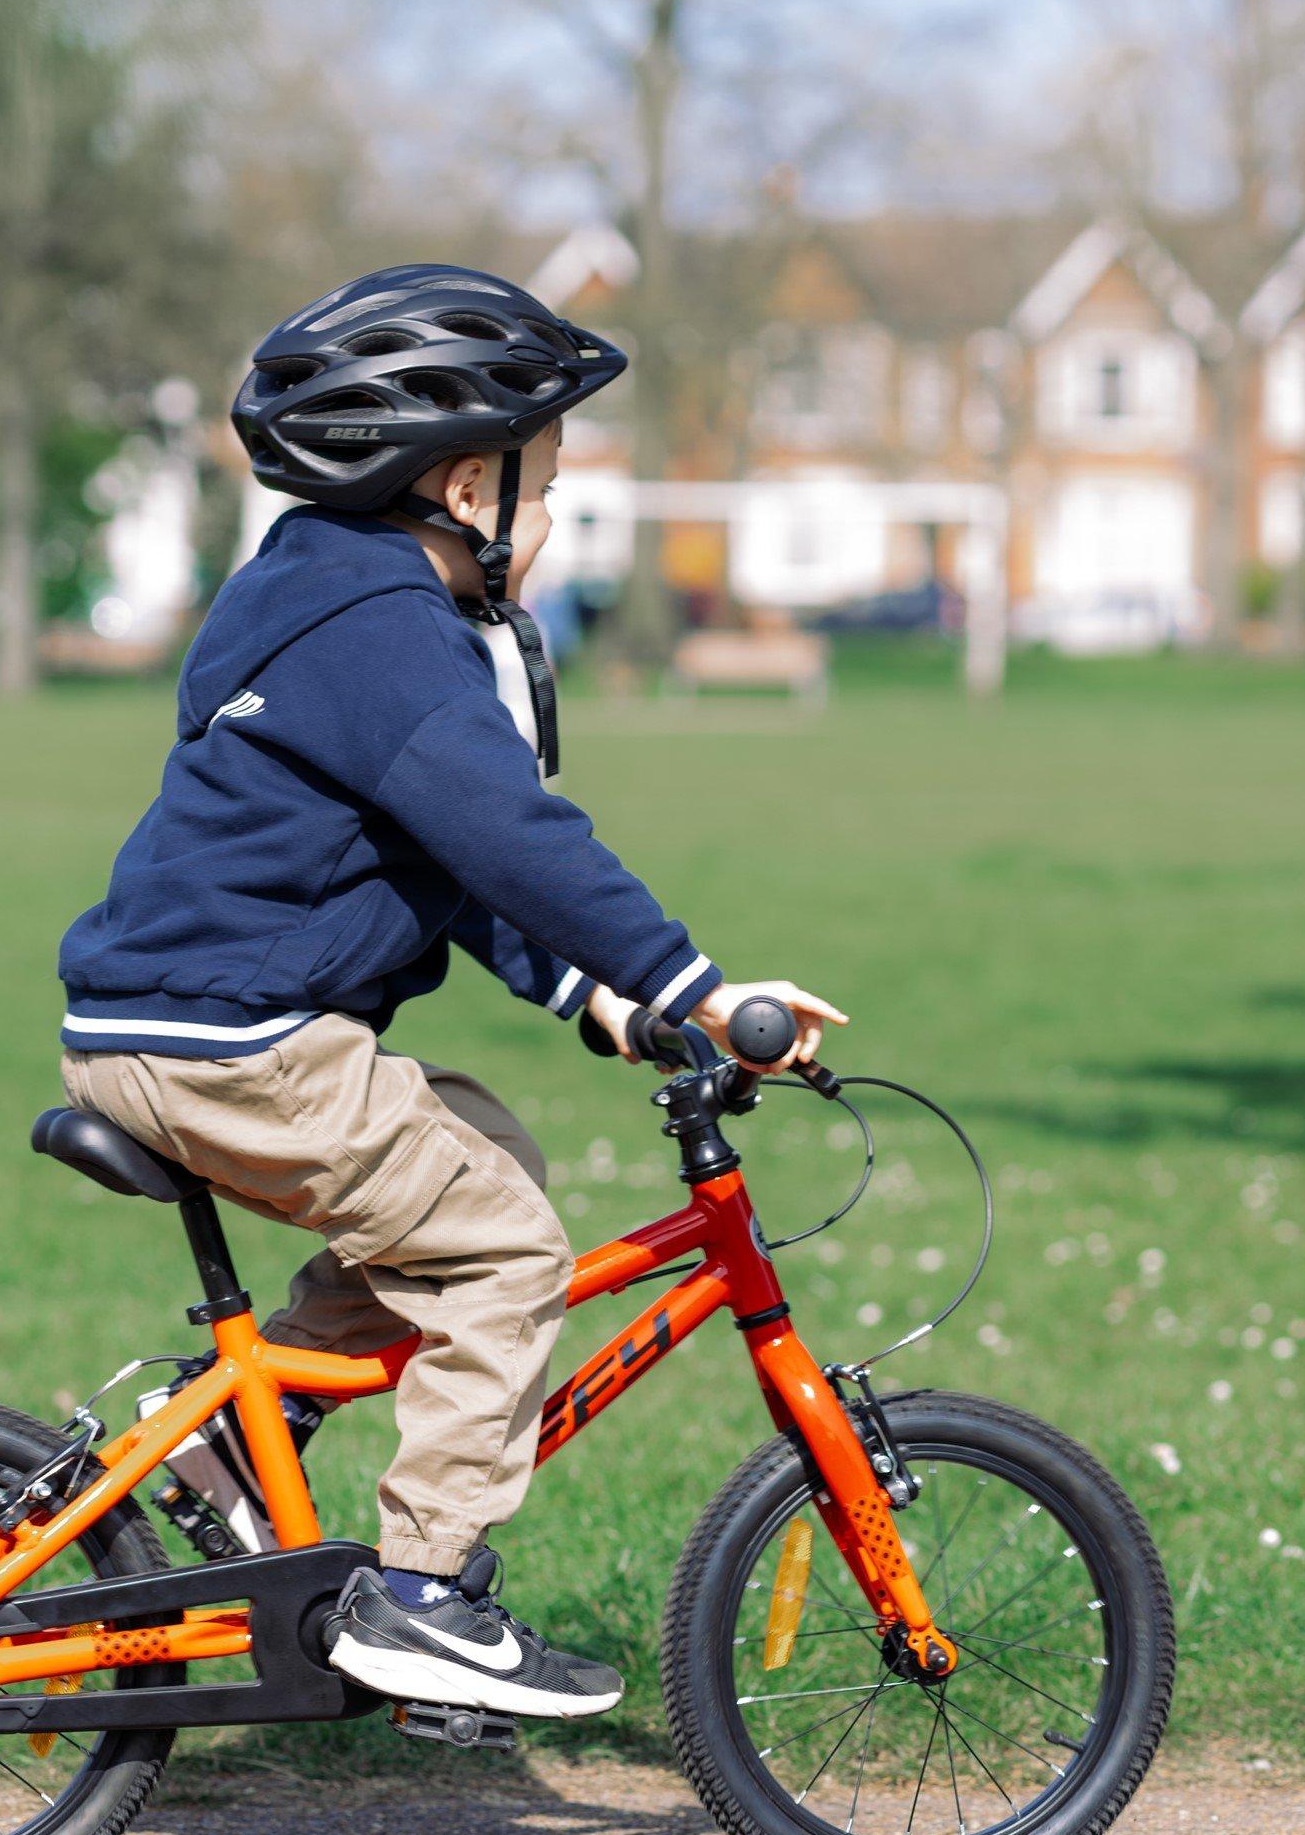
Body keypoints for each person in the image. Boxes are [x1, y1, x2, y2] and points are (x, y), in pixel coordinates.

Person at [58, 263, 843, 1720]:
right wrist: (693, 982)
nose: (551, 525)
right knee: (504, 1252)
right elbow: (511, 839)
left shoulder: (314, 589)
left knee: (486, 1149)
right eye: (545, 490)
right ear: (469, 483)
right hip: (242, 1042)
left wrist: (610, 1005)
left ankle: (240, 1438)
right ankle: (419, 1592)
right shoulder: (387, 632)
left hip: (179, 1025)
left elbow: (451, 862)